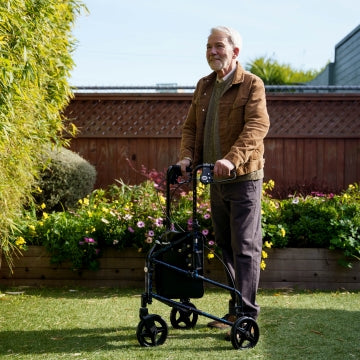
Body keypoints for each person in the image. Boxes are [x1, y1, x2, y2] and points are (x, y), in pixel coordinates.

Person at [178, 26, 270, 333]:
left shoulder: (251, 85)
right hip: (214, 180)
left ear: (235, 51)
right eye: (208, 47)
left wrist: (232, 159)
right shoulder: (204, 86)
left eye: (218, 46)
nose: (212, 51)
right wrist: (187, 157)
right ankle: (235, 310)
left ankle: (247, 315)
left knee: (245, 246)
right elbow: (191, 128)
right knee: (226, 247)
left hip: (244, 179)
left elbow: (257, 126)